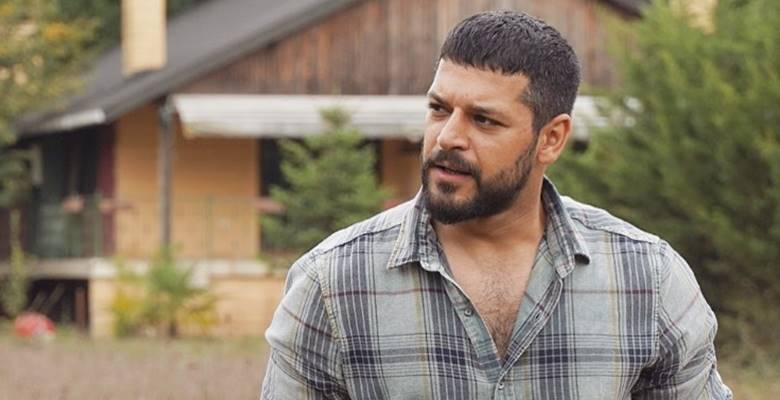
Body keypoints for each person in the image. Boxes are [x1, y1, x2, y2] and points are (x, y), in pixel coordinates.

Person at [261, 10, 732, 399]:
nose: (448, 137)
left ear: (551, 139)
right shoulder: (332, 284)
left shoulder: (647, 279)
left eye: (484, 120)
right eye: (439, 109)